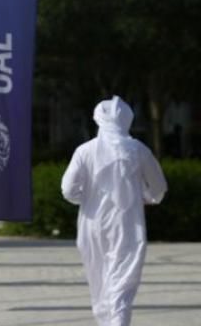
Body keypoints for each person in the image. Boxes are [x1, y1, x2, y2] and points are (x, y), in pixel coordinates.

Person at [61, 96, 168, 326]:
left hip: (91, 225)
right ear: (127, 119)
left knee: (99, 281)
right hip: (127, 225)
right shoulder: (138, 150)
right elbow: (159, 187)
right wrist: (146, 198)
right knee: (122, 284)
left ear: (99, 119)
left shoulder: (84, 151)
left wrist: (88, 199)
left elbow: (68, 190)